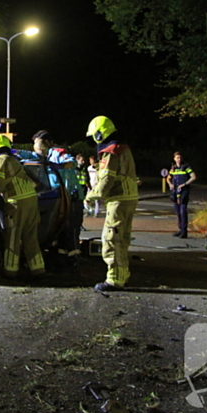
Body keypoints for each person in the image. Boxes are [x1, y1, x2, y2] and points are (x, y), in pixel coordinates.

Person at [84, 116, 139, 292]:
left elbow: (107, 179)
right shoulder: (123, 147)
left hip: (118, 199)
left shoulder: (110, 151)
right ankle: (122, 275)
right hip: (129, 197)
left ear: (100, 134)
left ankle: (114, 280)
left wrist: (91, 195)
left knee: (111, 239)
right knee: (122, 238)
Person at [18, 130, 84, 265]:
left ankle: (73, 258)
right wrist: (14, 152)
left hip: (72, 197)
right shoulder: (45, 156)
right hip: (58, 197)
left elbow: (73, 163)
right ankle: (60, 257)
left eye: (39, 144)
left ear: (47, 143)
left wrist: (59, 166)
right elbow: (31, 156)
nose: (38, 149)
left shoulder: (58, 153)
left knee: (70, 229)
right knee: (59, 229)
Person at [0, 134, 45, 278]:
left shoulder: (0, 160)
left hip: (16, 203)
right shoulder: (14, 160)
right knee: (30, 237)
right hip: (31, 201)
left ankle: (10, 271)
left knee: (12, 237)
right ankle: (38, 270)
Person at [167, 151, 197, 238]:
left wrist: (185, 184)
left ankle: (184, 231)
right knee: (177, 212)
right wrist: (170, 184)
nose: (179, 159)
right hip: (175, 192)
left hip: (184, 191)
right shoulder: (173, 168)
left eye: (180, 158)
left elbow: (193, 177)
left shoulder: (186, 167)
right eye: (177, 158)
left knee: (183, 211)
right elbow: (168, 178)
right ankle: (180, 229)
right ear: (174, 159)